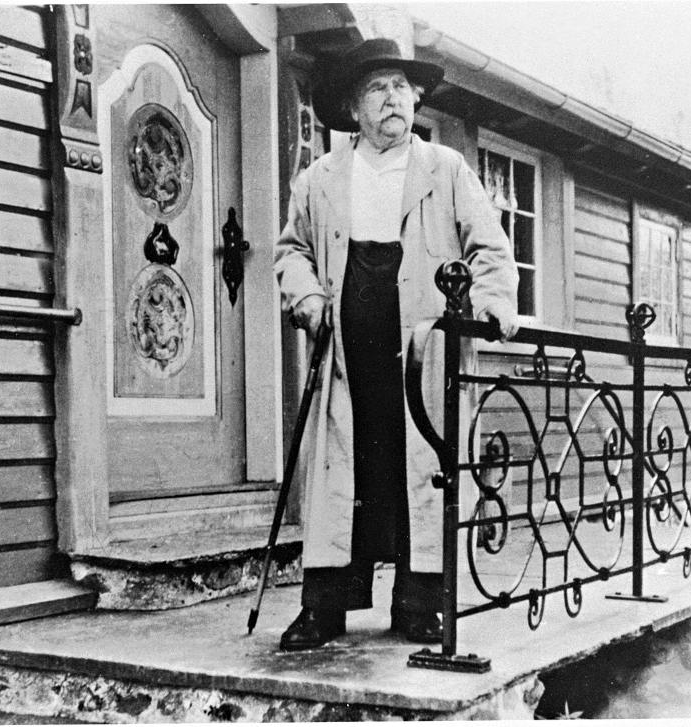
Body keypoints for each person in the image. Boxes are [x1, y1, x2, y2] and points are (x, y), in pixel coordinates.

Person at [273, 38, 519, 651]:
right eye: (378, 88)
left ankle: (418, 604)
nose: (393, 99)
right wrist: (306, 296)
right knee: (344, 467)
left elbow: (489, 246)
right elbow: (292, 251)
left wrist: (492, 302)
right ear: (354, 108)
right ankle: (324, 608)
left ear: (416, 100)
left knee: (419, 462)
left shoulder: (446, 169)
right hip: (346, 340)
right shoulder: (321, 178)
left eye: (402, 88)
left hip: (421, 342)